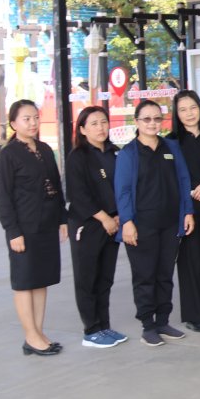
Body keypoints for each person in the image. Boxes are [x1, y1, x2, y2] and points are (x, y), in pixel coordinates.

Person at [114, 100, 195, 347]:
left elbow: (184, 180)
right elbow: (123, 191)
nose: (152, 123)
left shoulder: (171, 147)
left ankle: (163, 321)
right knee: (145, 276)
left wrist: (187, 212)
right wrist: (127, 222)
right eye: (147, 119)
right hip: (142, 225)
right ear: (137, 122)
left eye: (157, 118)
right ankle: (148, 326)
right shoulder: (129, 154)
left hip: (170, 223)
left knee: (164, 274)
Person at [0, 99, 67, 356]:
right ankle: (31, 335)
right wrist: (12, 231)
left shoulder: (45, 149)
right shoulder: (8, 155)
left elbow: (56, 186)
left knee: (40, 279)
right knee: (25, 281)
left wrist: (62, 219)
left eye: (35, 117)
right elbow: (3, 198)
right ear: (14, 123)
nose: (33, 122)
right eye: (26, 119)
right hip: (23, 228)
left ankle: (37, 333)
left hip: (46, 225)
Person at [65, 106, 127, 348]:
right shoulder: (78, 157)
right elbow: (78, 195)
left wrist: (119, 216)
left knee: (105, 278)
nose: (100, 128)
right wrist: (105, 218)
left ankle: (104, 326)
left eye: (103, 122)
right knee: (87, 278)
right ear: (82, 129)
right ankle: (91, 331)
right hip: (89, 224)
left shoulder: (114, 152)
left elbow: (122, 187)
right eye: (93, 124)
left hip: (113, 223)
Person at [169, 90, 200, 333]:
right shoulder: (171, 142)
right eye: (183, 109)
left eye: (193, 107)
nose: (189, 114)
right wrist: (187, 200)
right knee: (189, 261)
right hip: (185, 208)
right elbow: (170, 178)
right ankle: (195, 315)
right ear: (176, 114)